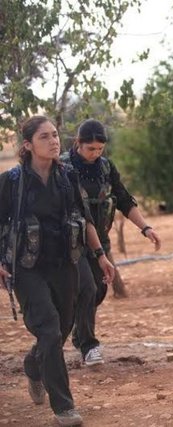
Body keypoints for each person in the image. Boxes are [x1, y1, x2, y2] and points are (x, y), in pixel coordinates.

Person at [0, 115, 115, 426]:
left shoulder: (67, 177)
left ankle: (33, 365)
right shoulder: (12, 182)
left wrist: (100, 256)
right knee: (49, 328)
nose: (53, 141)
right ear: (27, 145)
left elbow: (85, 219)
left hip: (65, 264)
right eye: (44, 137)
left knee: (61, 329)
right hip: (27, 268)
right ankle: (64, 407)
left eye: (54, 135)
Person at [60, 118, 162, 366]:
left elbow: (124, 200)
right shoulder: (62, 167)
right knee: (86, 289)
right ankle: (88, 345)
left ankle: (76, 333)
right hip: (72, 242)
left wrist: (145, 228)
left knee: (98, 290)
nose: (95, 154)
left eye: (100, 149)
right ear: (78, 143)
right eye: (90, 149)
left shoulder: (106, 168)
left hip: (100, 240)